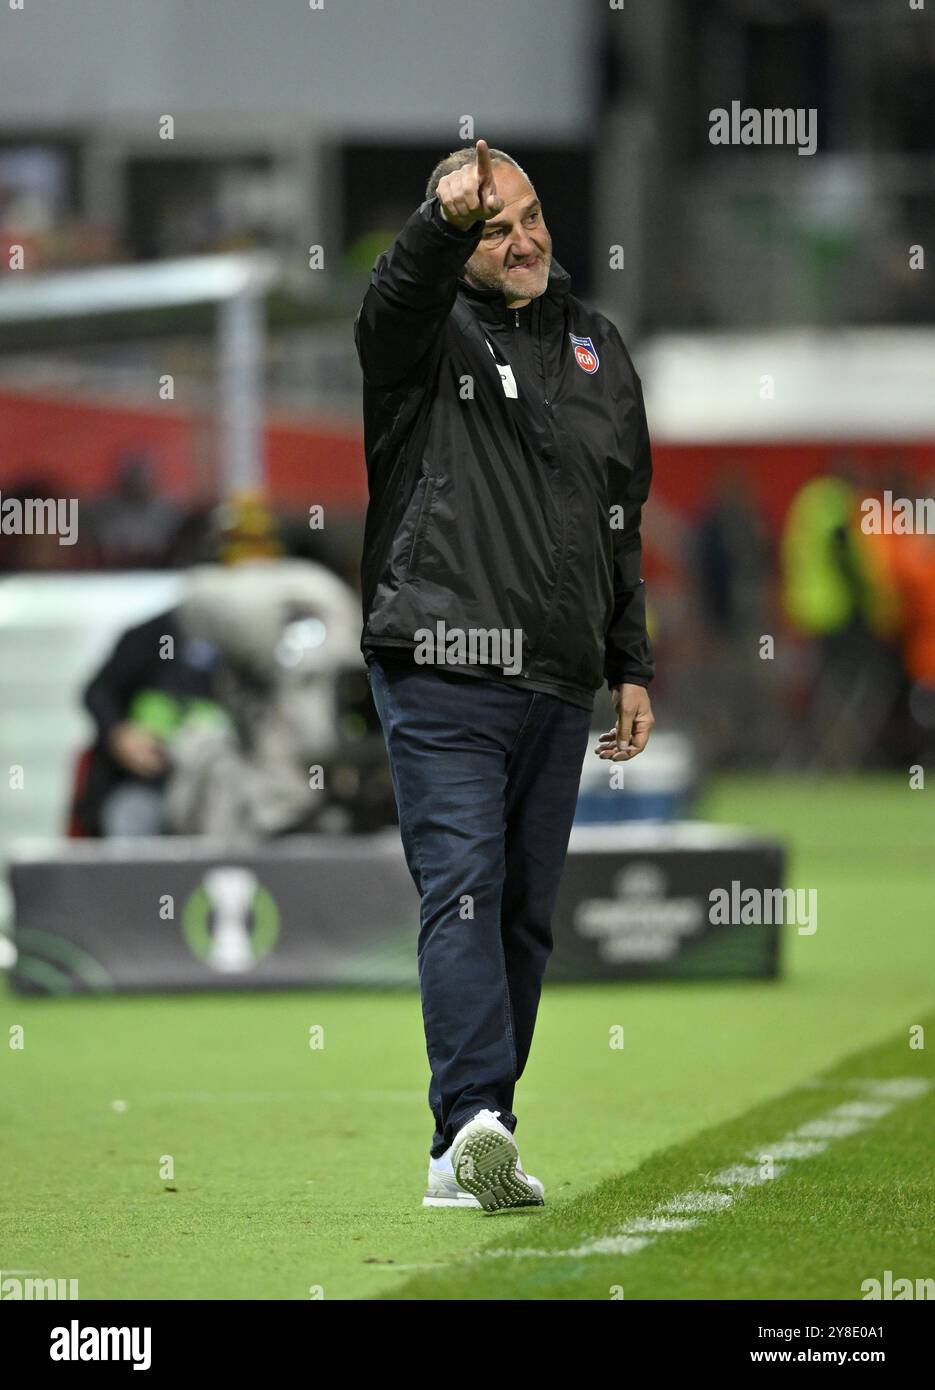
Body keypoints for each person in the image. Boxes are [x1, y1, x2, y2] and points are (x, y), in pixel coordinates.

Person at [354, 140, 655, 1212]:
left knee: (524, 915)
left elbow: (618, 523)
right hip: (439, 660)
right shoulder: (420, 338)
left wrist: (629, 661)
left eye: (527, 216)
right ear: (458, 244)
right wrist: (441, 221)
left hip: (556, 677)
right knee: (465, 888)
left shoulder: (599, 350)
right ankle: (467, 1123)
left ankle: (480, 1134)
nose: (521, 238)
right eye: (493, 228)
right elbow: (390, 298)